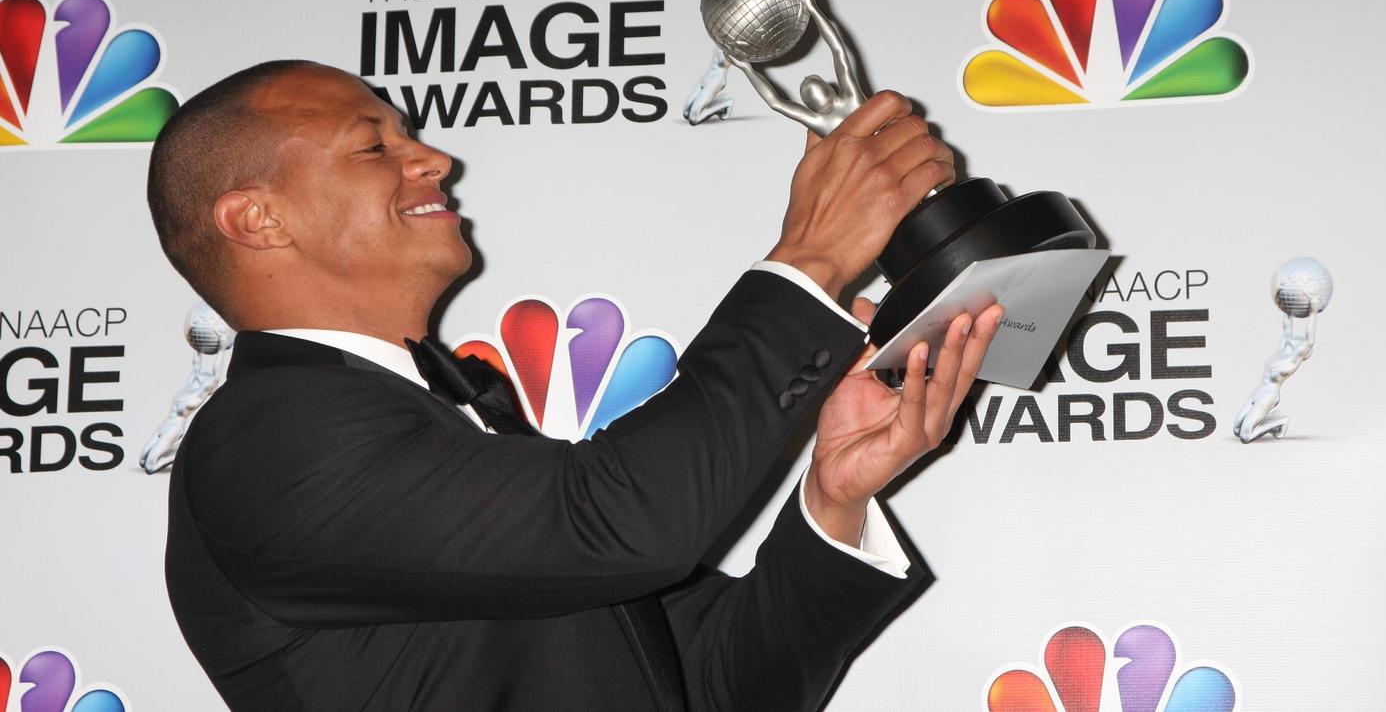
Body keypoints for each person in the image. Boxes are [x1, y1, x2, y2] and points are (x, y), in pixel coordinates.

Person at [150, 60, 1002, 711]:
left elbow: (716, 684)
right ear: (256, 219)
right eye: (374, 145)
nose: (435, 158)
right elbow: (625, 524)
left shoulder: (445, 432)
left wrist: (833, 498)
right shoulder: (266, 436)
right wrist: (811, 261)